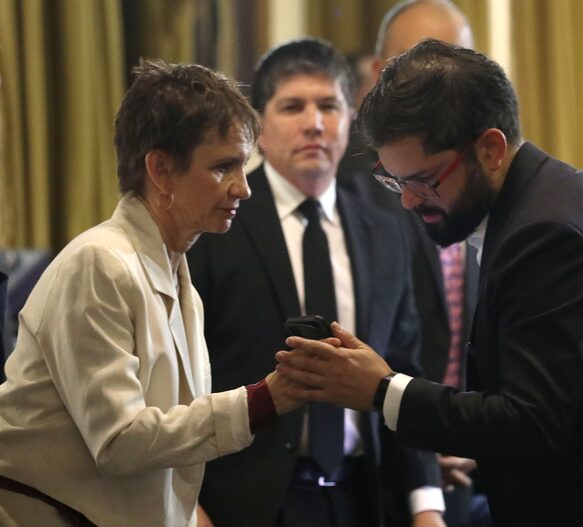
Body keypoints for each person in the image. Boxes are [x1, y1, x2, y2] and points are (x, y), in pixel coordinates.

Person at [275, 39, 583, 526]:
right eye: (394, 181)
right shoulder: (532, 205)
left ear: (490, 149)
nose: (408, 202)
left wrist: (382, 390)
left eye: (423, 181)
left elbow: (528, 423)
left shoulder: (548, 231)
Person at [0, 59, 300, 527]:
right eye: (224, 167)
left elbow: (164, 453)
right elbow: (119, 442)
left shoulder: (177, 276)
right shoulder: (98, 263)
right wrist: (262, 401)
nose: (244, 188)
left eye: (244, 166)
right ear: (160, 168)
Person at [187, 37, 444, 527]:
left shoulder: (387, 226)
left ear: (351, 121)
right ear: (258, 127)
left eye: (329, 105)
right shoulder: (217, 222)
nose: (314, 123)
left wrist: (425, 503)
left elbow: (405, 369)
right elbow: (180, 376)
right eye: (292, 107)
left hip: (364, 496)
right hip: (243, 502)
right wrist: (187, 507)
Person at [337, 5, 487, 525]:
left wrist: (465, 429)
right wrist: (423, 443)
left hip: (471, 468)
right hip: (382, 477)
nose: (449, 86)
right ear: (380, 76)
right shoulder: (345, 188)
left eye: (459, 63)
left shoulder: (482, 167)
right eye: (427, 68)